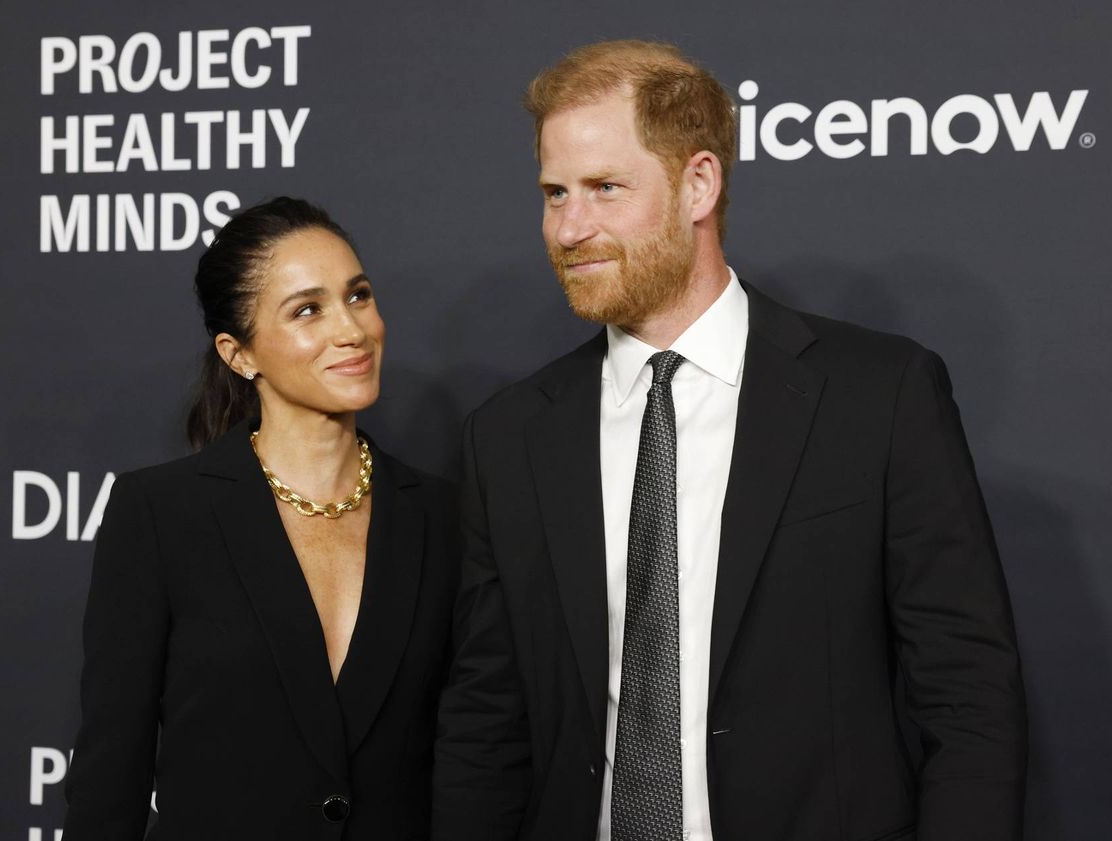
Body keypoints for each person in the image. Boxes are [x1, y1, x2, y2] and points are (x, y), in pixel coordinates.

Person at [433, 41, 1026, 841]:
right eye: (554, 193)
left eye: (606, 188)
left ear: (698, 185)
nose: (570, 227)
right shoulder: (508, 437)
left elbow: (967, 692)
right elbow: (486, 719)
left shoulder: (878, 396)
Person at [63, 197, 458, 840]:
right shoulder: (160, 514)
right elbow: (111, 776)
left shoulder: (442, 516)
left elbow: (475, 750)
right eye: (307, 310)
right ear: (239, 353)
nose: (351, 330)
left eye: (357, 296)